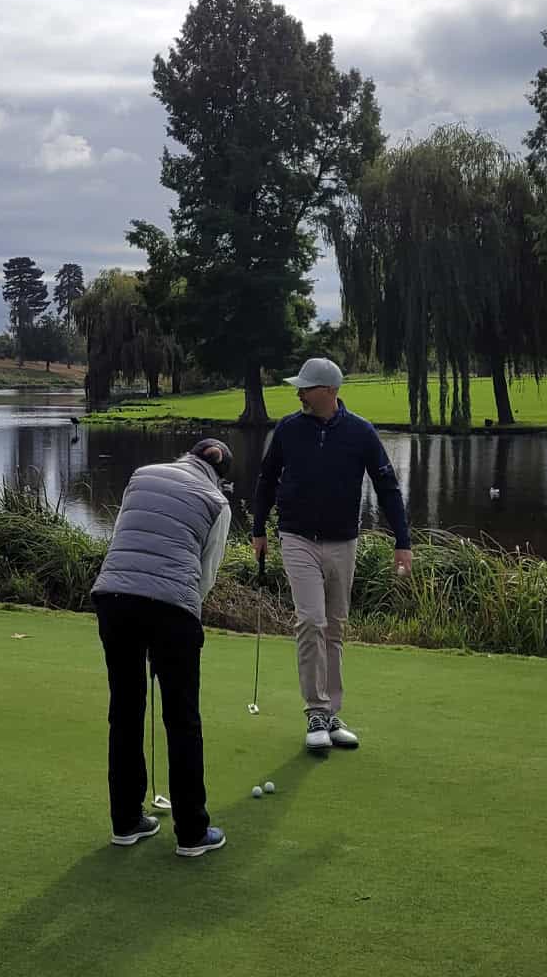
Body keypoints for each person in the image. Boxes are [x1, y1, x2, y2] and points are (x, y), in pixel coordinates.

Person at [249, 357, 411, 754]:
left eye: (305, 387)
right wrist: (257, 528)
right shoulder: (288, 429)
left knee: (335, 628)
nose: (299, 392)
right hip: (297, 537)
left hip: (343, 541)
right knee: (311, 621)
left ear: (328, 391)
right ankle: (316, 713)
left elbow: (387, 487)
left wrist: (402, 540)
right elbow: (267, 478)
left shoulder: (360, 432)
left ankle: (332, 713)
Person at [89, 438, 234, 858]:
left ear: (188, 455)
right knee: (182, 718)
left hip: (113, 596)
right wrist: (183, 618)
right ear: (220, 475)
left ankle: (126, 821)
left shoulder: (141, 475)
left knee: (126, 709)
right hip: (172, 607)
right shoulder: (216, 501)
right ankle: (191, 832)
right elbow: (205, 576)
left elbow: (121, 536)